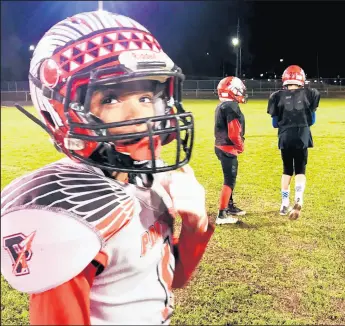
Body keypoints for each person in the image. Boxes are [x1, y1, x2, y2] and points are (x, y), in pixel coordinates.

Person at [0, 11, 215, 325]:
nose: (139, 114)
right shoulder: (64, 213)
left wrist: (195, 227)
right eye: (111, 98)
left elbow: (173, 279)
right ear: (63, 112)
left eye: (145, 95)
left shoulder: (147, 175)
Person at [267, 65, 320, 220]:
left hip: (285, 136)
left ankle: (284, 203)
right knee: (301, 170)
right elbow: (312, 120)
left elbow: (274, 123)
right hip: (302, 135)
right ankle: (298, 197)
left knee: (287, 170)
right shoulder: (311, 93)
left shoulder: (276, 96)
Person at [214, 76, 247, 225]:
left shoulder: (222, 106)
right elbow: (233, 132)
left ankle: (229, 206)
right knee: (229, 180)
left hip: (220, 146)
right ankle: (222, 214)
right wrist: (240, 145)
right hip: (228, 147)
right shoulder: (231, 107)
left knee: (229, 179)